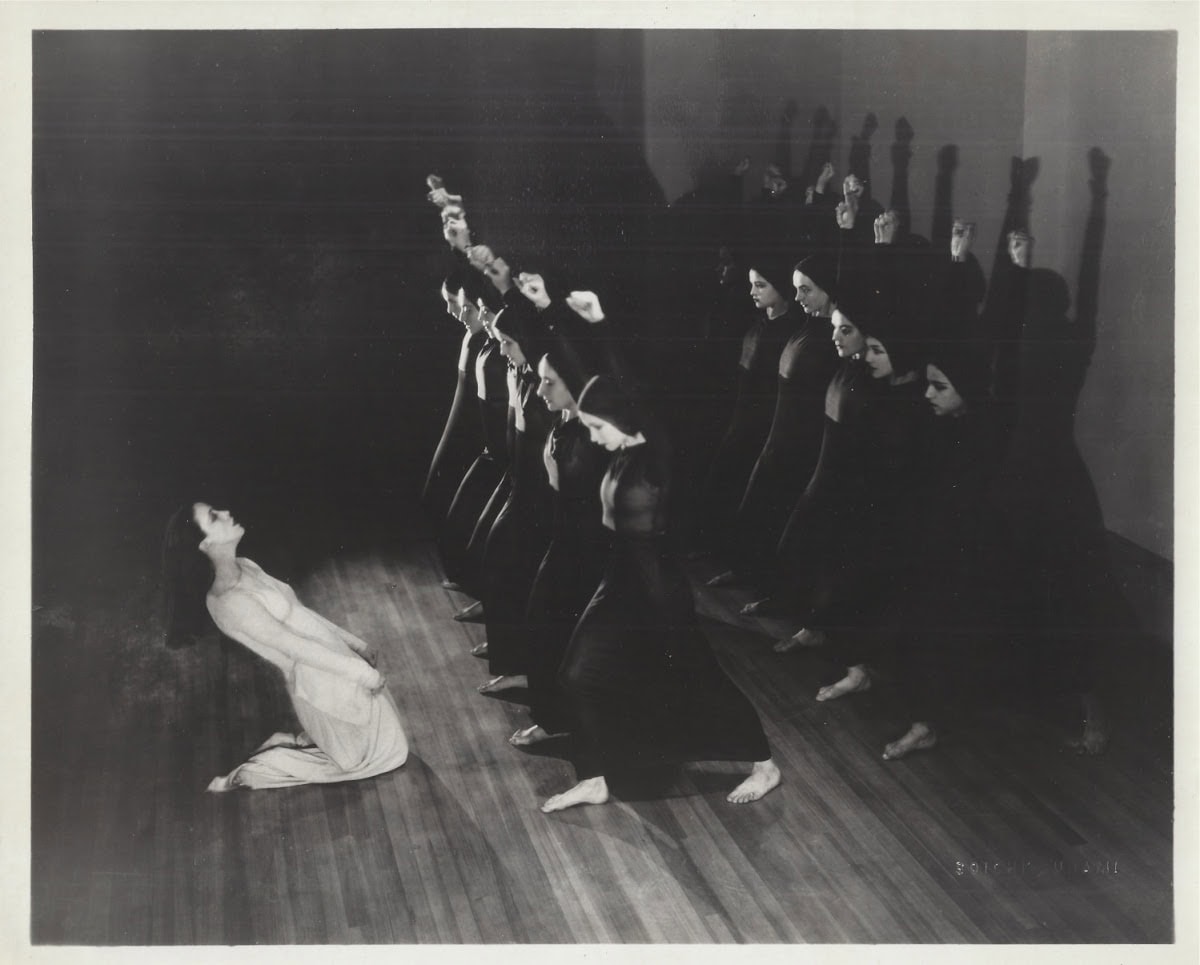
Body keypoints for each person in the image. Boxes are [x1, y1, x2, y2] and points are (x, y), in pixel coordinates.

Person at [543, 375, 780, 813]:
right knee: (576, 676)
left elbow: (621, 375)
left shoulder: (654, 460)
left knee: (701, 676)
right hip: (620, 582)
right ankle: (594, 779)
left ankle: (764, 765)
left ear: (621, 418)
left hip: (657, 591)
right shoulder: (620, 452)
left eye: (597, 426)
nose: (592, 436)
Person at [161, 503, 408, 790]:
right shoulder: (230, 601)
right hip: (316, 679)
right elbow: (294, 647)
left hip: (332, 659)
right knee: (389, 755)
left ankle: (318, 742)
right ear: (204, 545)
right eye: (214, 516)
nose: (226, 512)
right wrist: (363, 674)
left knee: (390, 744)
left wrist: (355, 644)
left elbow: (300, 613)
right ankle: (264, 767)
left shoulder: (246, 565)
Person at [512, 344, 611, 745]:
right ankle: (555, 719)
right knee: (544, 627)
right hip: (566, 542)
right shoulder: (564, 423)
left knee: (564, 637)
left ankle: (568, 725)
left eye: (549, 383)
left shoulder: (592, 435)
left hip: (591, 551)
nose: (540, 391)